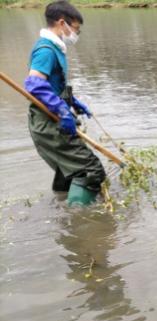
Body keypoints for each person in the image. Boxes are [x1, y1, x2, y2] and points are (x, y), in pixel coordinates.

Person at [24, 0, 105, 206]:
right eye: (75, 28)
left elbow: (50, 85)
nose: (75, 34)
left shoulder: (55, 47)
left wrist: (72, 101)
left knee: (68, 167)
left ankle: (61, 202)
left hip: (49, 120)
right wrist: (62, 110)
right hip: (48, 122)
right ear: (62, 23)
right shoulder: (46, 50)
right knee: (91, 170)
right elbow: (34, 83)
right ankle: (79, 218)